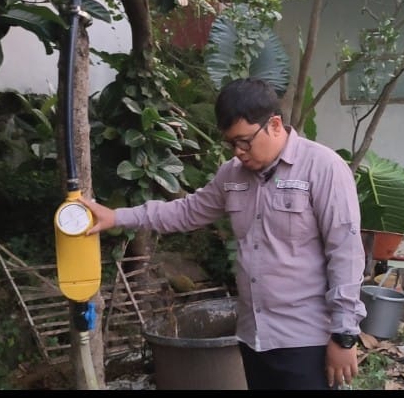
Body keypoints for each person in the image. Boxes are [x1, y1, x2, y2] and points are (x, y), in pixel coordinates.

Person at [79, 77, 367, 389]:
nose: (238, 152)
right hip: (253, 338)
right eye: (231, 144)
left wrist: (344, 335)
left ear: (274, 125)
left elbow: (345, 252)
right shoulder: (232, 175)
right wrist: (117, 216)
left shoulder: (323, 168)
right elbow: (186, 211)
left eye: (244, 141)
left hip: (306, 340)